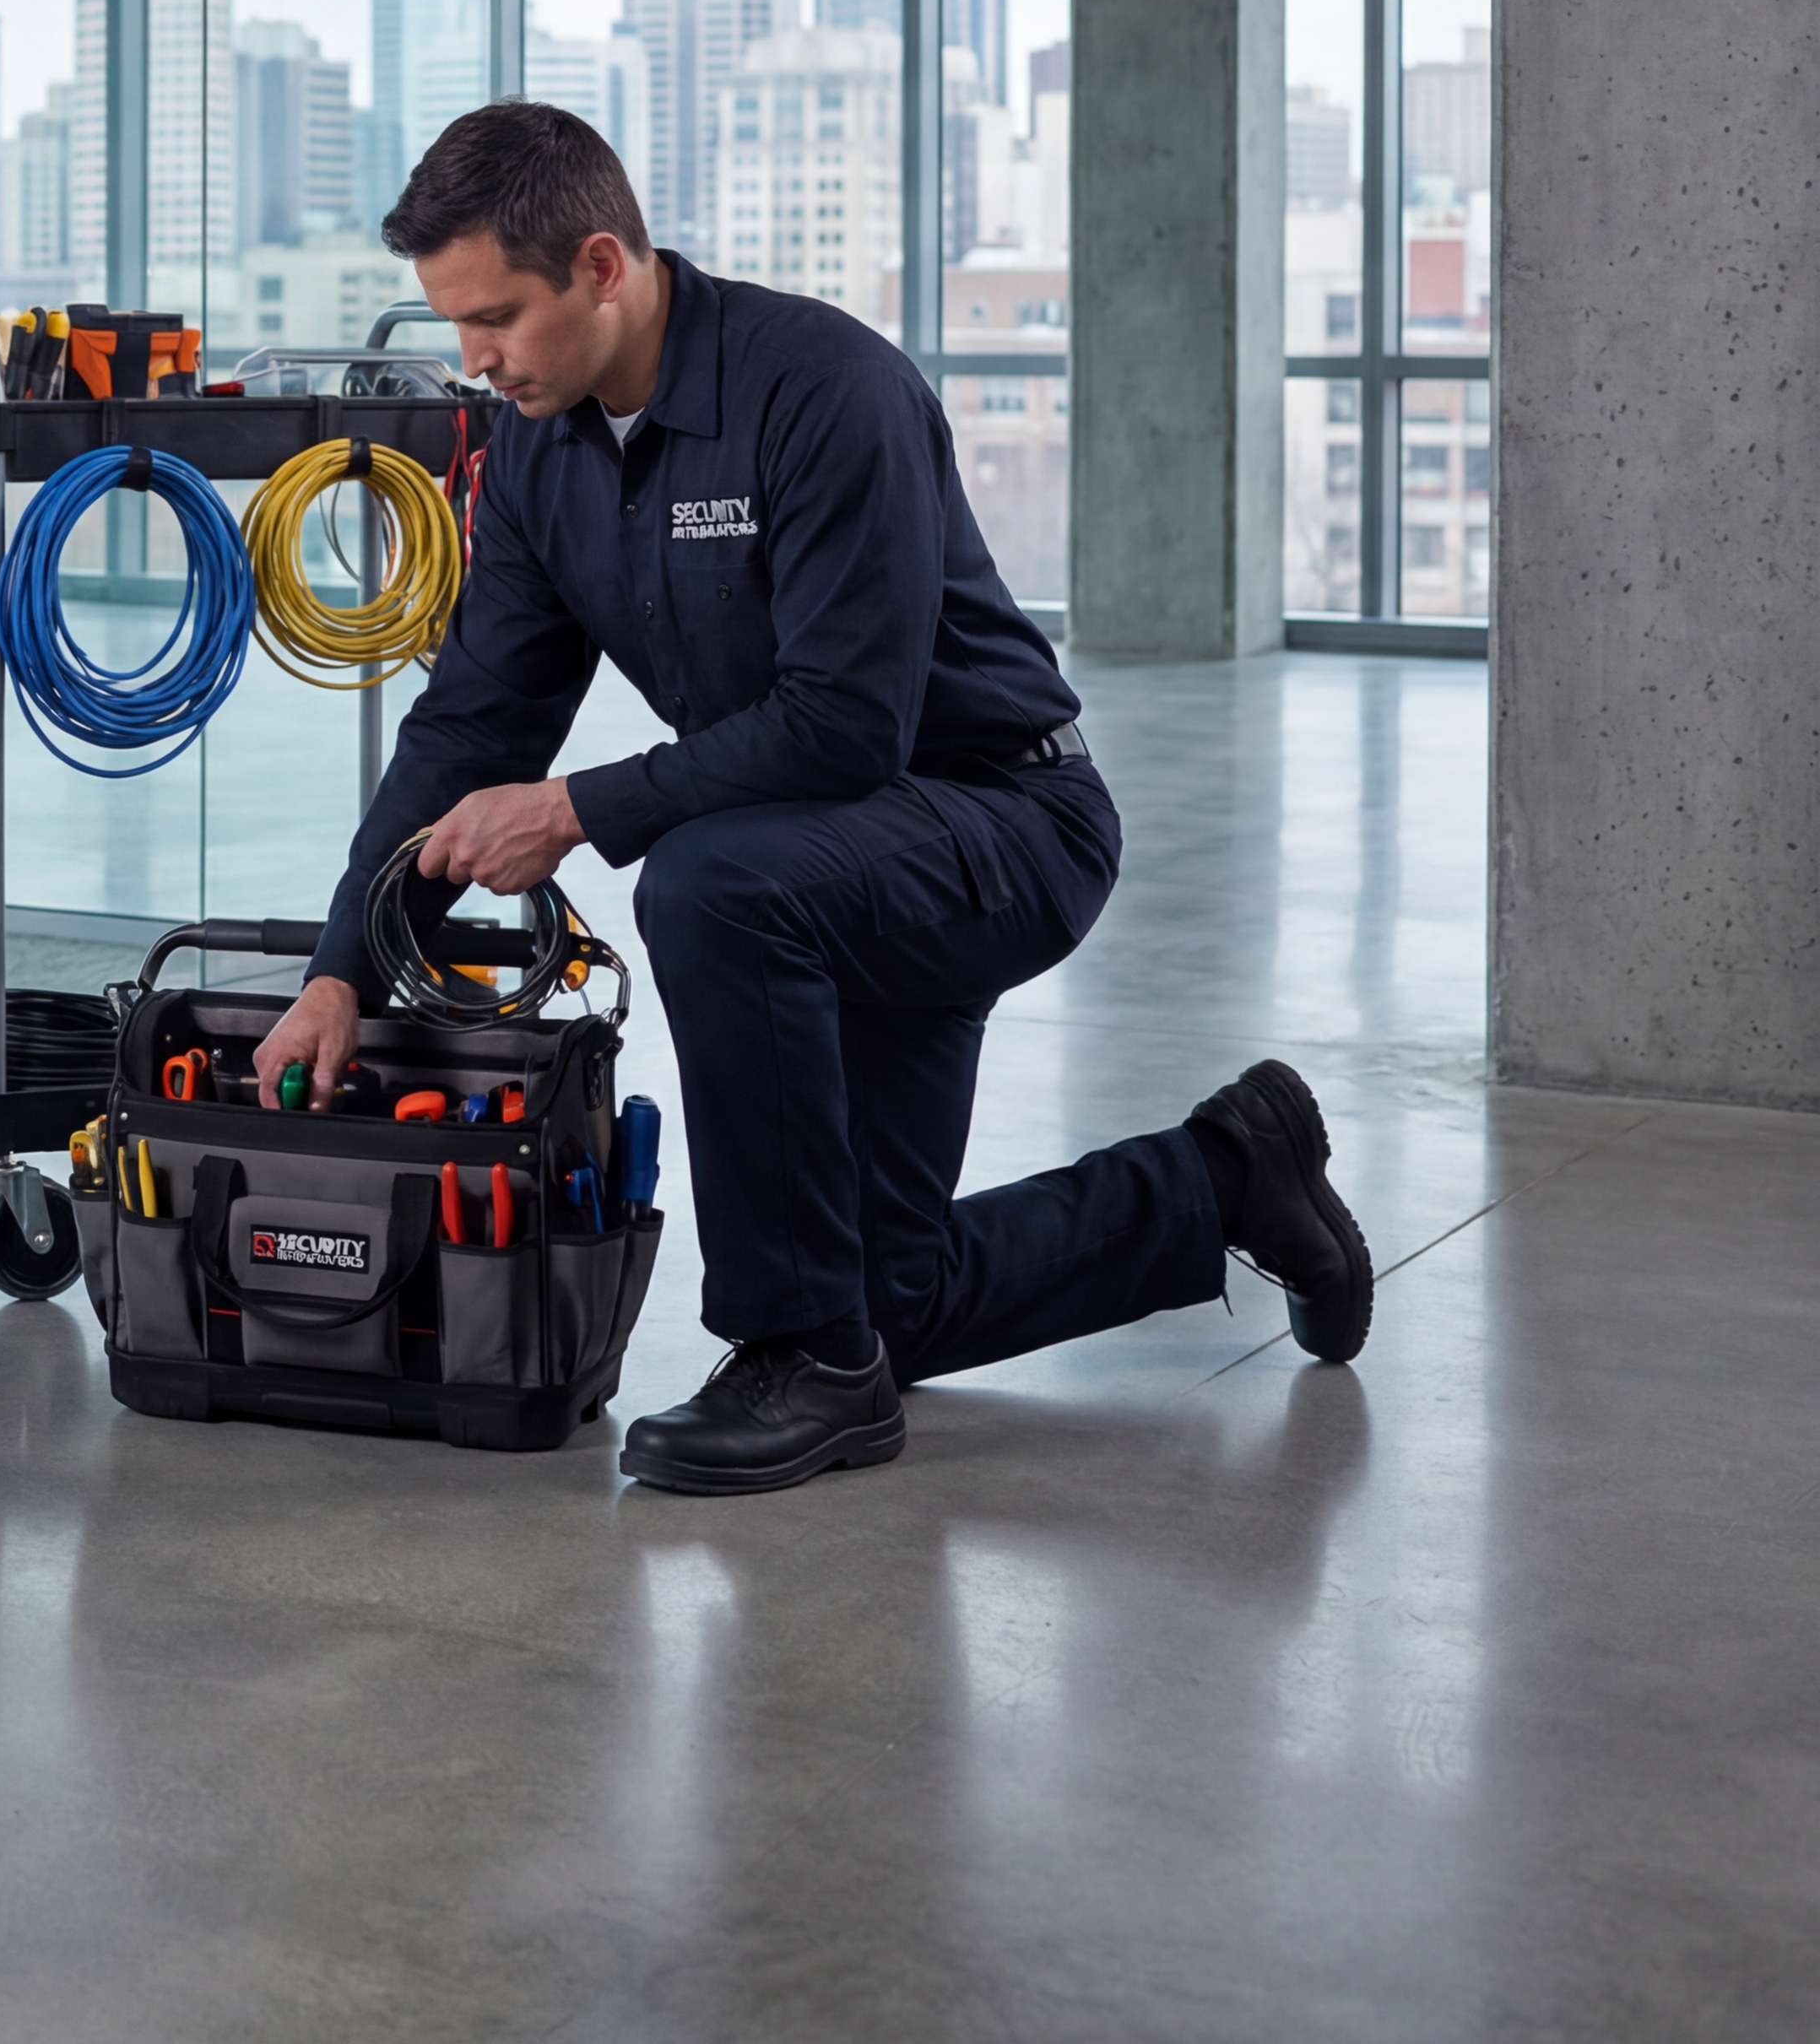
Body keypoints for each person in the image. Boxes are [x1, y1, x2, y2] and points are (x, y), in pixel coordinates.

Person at [252, 103, 1373, 1495]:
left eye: (497, 318)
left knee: (706, 881)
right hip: (822, 864)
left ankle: (797, 1358)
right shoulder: (538, 454)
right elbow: (471, 722)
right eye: (453, 326)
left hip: (1004, 826)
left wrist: (579, 809)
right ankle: (1227, 1176)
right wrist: (340, 969)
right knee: (889, 1299)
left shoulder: (826, 391)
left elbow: (849, 727)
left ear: (603, 266)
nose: (474, 362)